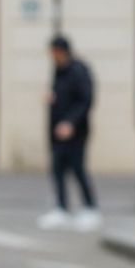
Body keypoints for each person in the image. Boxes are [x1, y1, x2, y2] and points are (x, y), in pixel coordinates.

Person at [38, 34, 101, 230]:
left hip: (75, 132)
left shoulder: (78, 70)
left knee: (77, 168)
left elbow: (86, 100)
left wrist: (70, 123)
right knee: (57, 169)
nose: (52, 56)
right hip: (57, 132)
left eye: (54, 51)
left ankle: (90, 208)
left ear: (61, 51)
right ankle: (62, 208)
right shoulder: (59, 70)